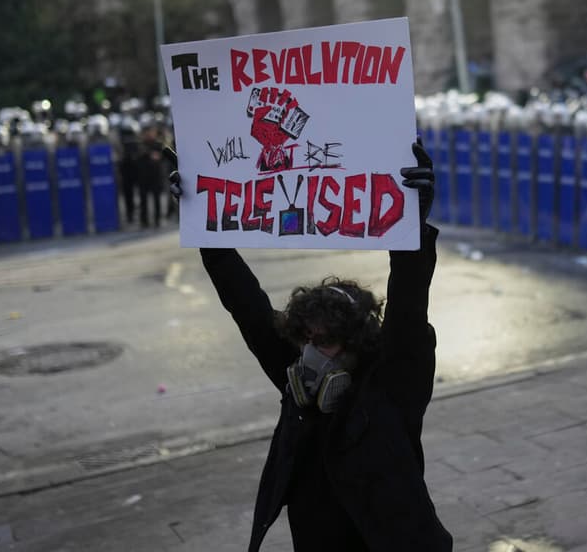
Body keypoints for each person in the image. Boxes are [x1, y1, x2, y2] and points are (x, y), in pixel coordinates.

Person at [166, 142, 452, 552]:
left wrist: (412, 225)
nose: (311, 353)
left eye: (325, 341)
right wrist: (203, 224)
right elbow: (245, 303)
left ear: (356, 344)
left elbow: (408, 310)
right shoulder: (297, 379)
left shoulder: (391, 387)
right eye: (306, 339)